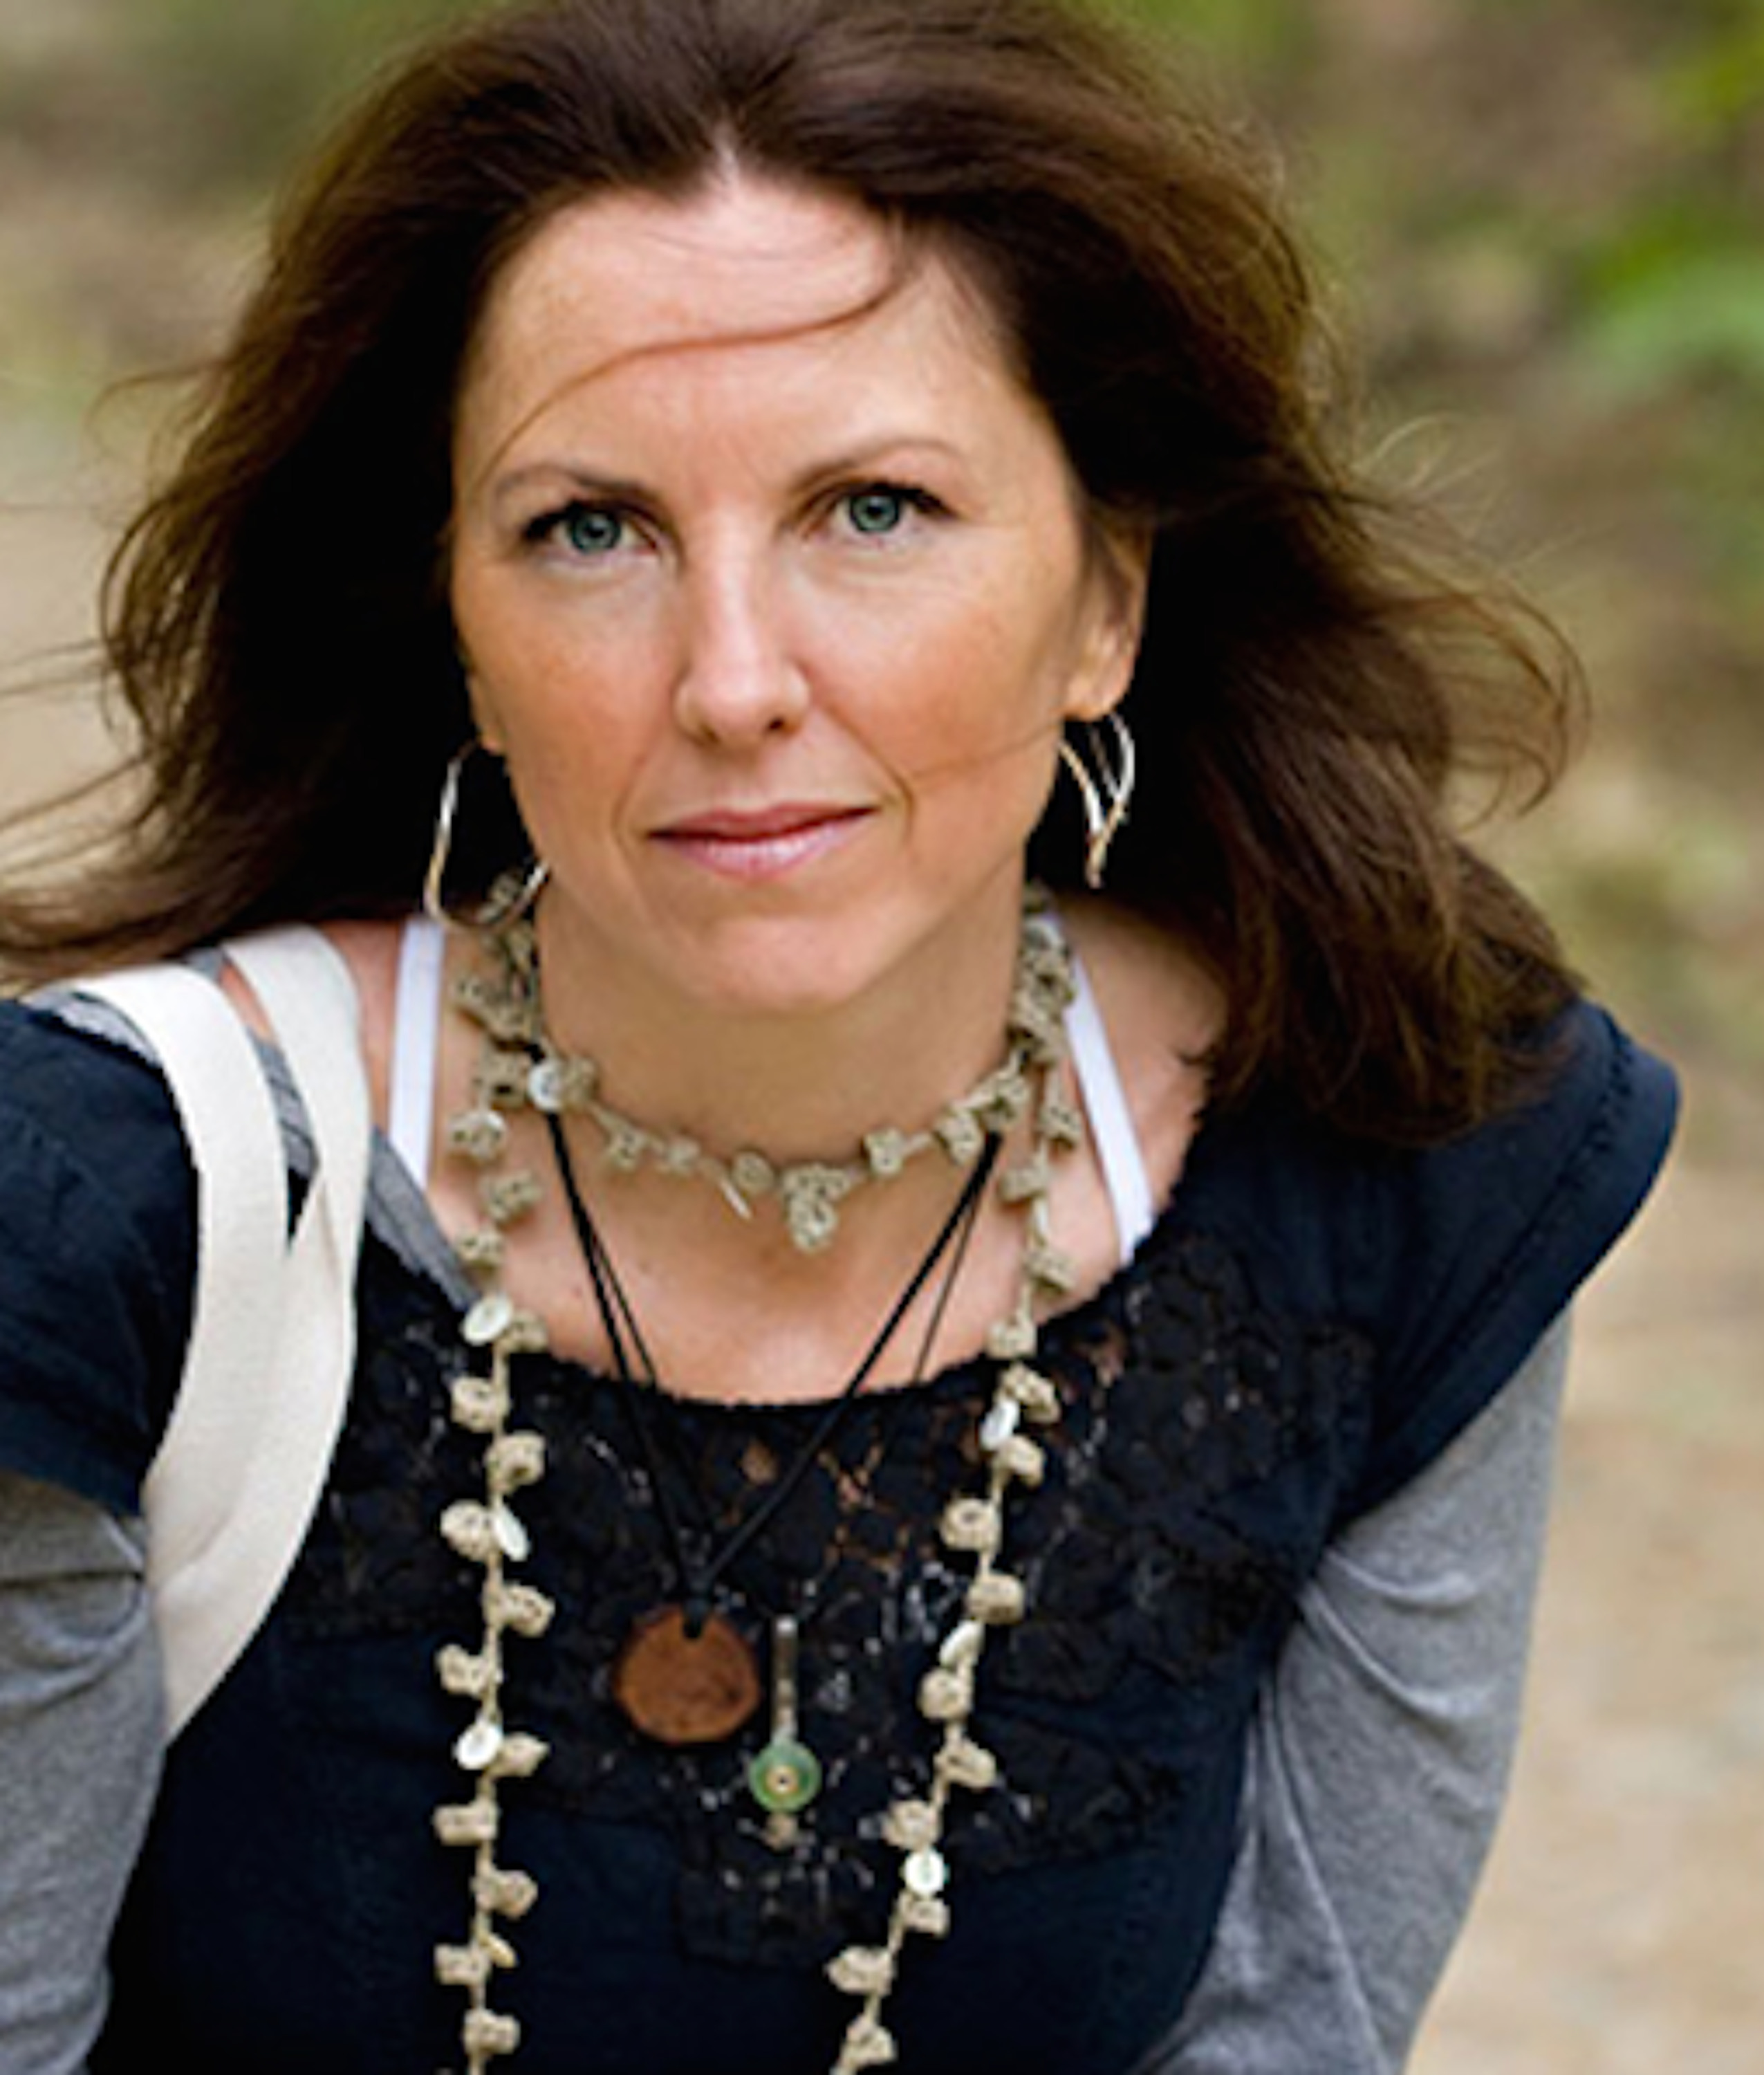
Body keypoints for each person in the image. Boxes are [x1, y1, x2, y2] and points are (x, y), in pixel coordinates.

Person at [0, 1, 1677, 2070]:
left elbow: (1290, 2033)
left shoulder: (1394, 1146)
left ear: (1106, 602)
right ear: (466, 643)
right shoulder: (106, 1214)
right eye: (590, 528)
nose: (734, 682)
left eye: (873, 510)